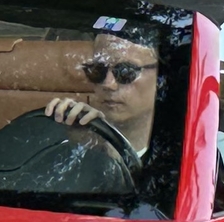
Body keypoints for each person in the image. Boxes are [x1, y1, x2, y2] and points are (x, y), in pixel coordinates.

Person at [43, 27, 162, 158]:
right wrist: (74, 141)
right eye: (97, 71)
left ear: (161, 76)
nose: (108, 84)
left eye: (126, 72)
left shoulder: (181, 153)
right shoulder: (76, 139)